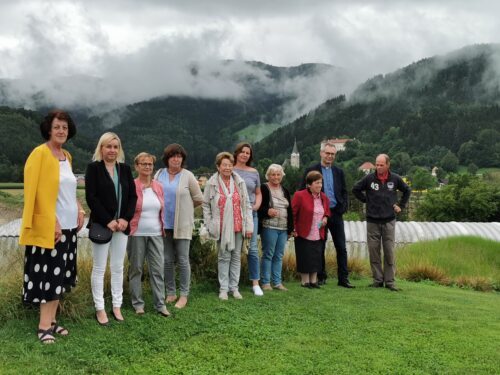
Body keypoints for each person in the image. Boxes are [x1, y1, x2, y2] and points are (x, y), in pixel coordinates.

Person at [19, 110, 85, 344]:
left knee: (60, 275)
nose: (61, 131)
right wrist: (52, 220)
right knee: (47, 276)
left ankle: (53, 321)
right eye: (57, 127)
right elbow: (33, 191)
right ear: (49, 128)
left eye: (65, 128)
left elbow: (68, 189)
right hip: (50, 229)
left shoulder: (66, 155)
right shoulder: (39, 154)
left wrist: (78, 208)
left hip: (69, 228)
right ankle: (43, 326)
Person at [85, 132, 137, 325]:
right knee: (99, 268)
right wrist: (108, 220)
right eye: (108, 146)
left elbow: (132, 197)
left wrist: (125, 219)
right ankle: (100, 308)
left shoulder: (124, 169)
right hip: (102, 225)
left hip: (122, 226)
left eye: (115, 147)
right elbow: (92, 198)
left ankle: (117, 305)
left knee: (118, 267)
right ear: (101, 148)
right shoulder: (93, 169)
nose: (112, 150)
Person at [352, 154, 411, 291]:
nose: (378, 167)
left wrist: (400, 205)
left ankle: (390, 282)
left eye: (381, 165)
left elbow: (407, 190)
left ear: (388, 165)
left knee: (389, 251)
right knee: (374, 251)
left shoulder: (395, 179)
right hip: (372, 221)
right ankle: (378, 280)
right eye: (376, 164)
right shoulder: (369, 178)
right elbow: (356, 189)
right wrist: (366, 200)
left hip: (389, 220)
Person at [155, 144, 203, 309]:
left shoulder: (188, 176)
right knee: (167, 260)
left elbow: (198, 198)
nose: (176, 159)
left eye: (179, 156)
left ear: (182, 159)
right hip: (163, 224)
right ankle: (170, 292)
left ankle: (183, 295)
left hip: (182, 224)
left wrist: (185, 210)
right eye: (172, 156)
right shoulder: (159, 174)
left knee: (182, 260)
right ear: (167, 158)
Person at [301, 140, 354, 288]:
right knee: (319, 247)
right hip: (319, 215)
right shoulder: (311, 170)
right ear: (321, 153)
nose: (330, 156)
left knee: (341, 247)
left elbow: (344, 192)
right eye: (327, 153)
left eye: (332, 154)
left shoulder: (339, 172)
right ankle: (321, 276)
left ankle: (343, 279)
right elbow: (303, 191)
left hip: (336, 214)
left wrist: (342, 208)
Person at [202, 152, 253, 300]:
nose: (227, 167)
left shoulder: (239, 182)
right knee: (224, 257)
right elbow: (206, 205)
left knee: (236, 256)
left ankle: (234, 288)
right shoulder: (212, 183)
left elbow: (247, 205)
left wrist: (249, 226)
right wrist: (210, 223)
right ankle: (223, 289)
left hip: (238, 224)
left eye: (230, 165)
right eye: (224, 165)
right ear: (218, 167)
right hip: (221, 226)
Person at [127, 153, 170, 317]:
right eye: (143, 164)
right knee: (136, 269)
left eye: (150, 164)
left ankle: (160, 304)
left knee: (157, 270)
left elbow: (162, 209)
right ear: (137, 166)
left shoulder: (158, 186)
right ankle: (138, 304)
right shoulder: (132, 185)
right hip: (137, 233)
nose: (147, 167)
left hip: (157, 233)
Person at [233, 142, 263, 296]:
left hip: (251, 214)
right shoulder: (229, 170)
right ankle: (233, 283)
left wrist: (256, 206)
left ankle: (255, 283)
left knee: (252, 249)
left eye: (248, 153)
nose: (245, 155)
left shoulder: (254, 172)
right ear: (237, 153)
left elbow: (258, 192)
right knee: (234, 248)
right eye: (242, 152)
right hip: (233, 214)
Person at [258, 164, 293, 292]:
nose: (276, 177)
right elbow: (258, 206)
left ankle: (277, 283)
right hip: (269, 226)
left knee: (279, 255)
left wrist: (290, 229)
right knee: (268, 254)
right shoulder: (264, 188)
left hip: (283, 228)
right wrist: (267, 211)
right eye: (273, 174)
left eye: (278, 174)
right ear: (268, 176)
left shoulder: (285, 190)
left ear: (282, 176)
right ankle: (266, 283)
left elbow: (290, 211)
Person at [292, 171, 330, 288]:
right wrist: (293, 229)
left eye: (321, 183)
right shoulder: (299, 195)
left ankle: (314, 281)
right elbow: (293, 213)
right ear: (309, 184)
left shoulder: (324, 197)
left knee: (316, 256)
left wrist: (325, 218)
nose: (319, 185)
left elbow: (327, 211)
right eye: (317, 183)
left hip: (318, 232)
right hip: (303, 231)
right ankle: (305, 281)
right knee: (305, 255)